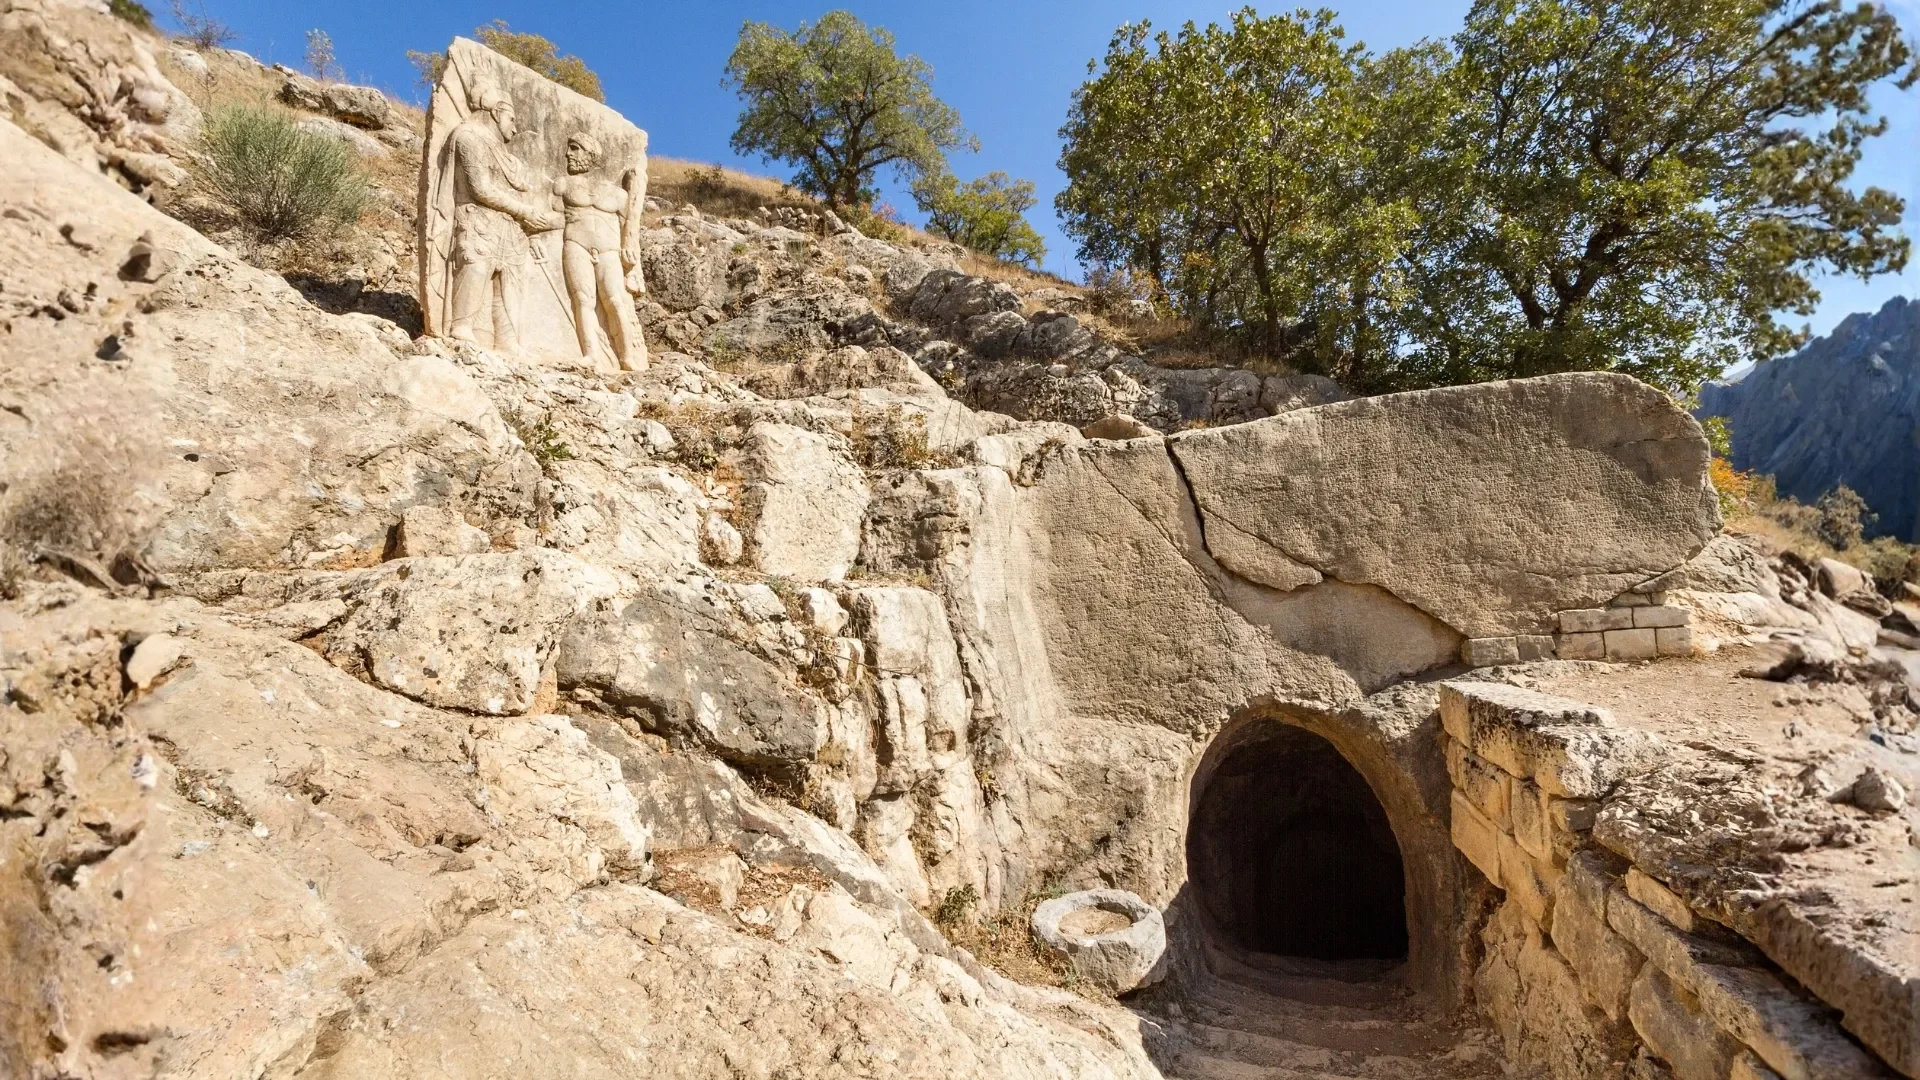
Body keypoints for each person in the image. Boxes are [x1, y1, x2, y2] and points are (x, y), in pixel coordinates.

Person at [445, 84, 558, 352]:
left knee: (509, 283)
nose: (515, 128)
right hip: (478, 218)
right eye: (512, 119)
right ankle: (460, 327)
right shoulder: (469, 137)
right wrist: (525, 211)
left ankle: (507, 341)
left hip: (510, 228)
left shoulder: (509, 158)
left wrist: (532, 231)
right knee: (477, 267)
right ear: (497, 112)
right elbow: (481, 188)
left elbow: (518, 194)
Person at [552, 131, 648, 371]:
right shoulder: (563, 184)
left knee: (615, 301)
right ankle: (591, 354)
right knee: (583, 300)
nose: (568, 154)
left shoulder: (618, 193)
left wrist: (632, 263)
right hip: (576, 245)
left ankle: (626, 356)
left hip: (609, 251)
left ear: (590, 154)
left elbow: (630, 228)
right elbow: (552, 218)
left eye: (575, 148)